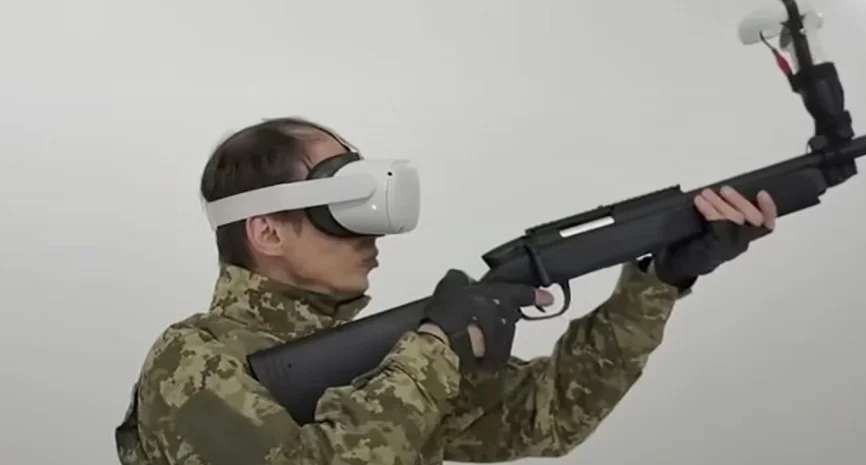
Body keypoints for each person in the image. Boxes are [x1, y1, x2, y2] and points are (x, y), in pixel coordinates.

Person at [115, 117, 779, 465]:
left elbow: (550, 414)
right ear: (266, 231)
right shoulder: (191, 358)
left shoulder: (376, 362)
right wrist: (434, 347)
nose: (370, 234)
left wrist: (658, 282)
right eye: (340, 206)